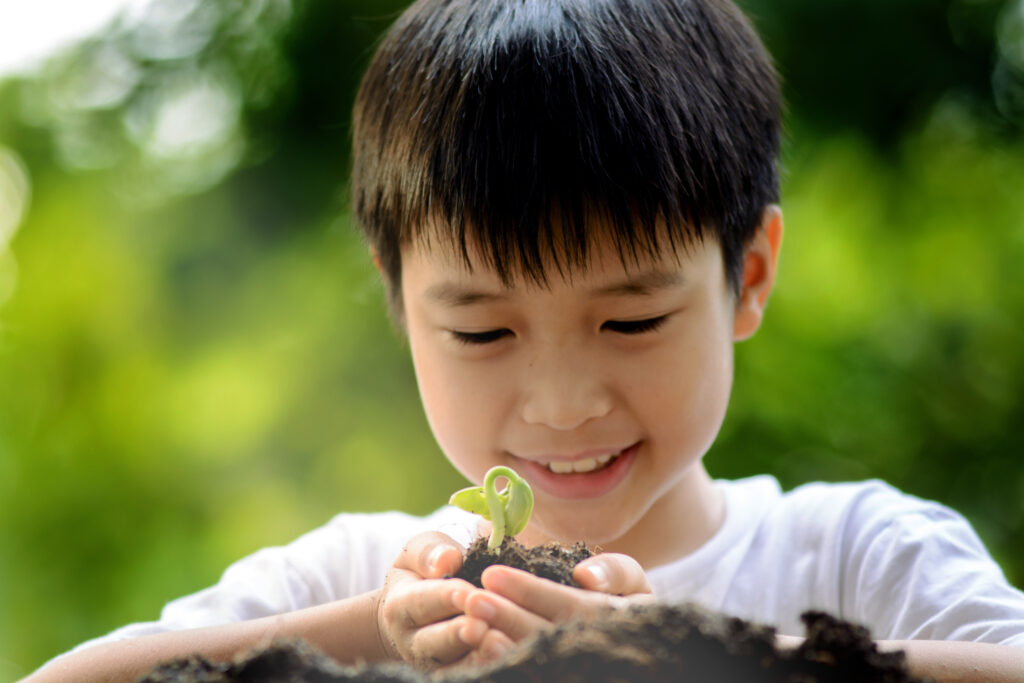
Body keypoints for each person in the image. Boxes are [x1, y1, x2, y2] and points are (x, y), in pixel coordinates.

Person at [26, 0, 1024, 680]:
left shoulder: (857, 557)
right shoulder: (355, 581)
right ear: (400, 301)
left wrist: (701, 649)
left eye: (630, 319)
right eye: (481, 327)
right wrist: (363, 633)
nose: (561, 401)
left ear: (747, 277)